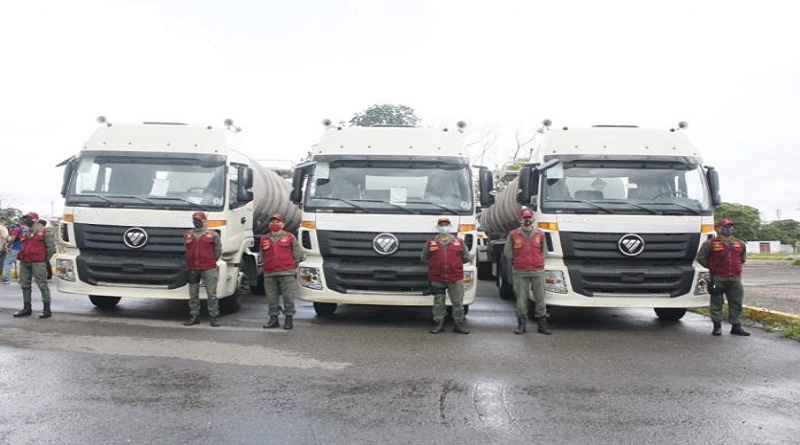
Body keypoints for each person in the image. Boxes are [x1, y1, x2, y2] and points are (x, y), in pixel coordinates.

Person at [696, 219, 750, 336]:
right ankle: (717, 327)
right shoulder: (710, 243)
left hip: (735, 279)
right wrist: (712, 267)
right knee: (716, 303)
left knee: (736, 302)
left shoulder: (740, 243)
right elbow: (701, 258)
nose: (728, 229)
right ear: (719, 229)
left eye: (730, 227)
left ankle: (736, 326)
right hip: (717, 278)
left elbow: (742, 258)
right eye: (725, 226)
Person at [504, 207, 551, 335]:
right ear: (521, 219)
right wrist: (517, 261)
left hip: (537, 271)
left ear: (532, 218)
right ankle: (521, 324)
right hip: (521, 271)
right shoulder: (513, 234)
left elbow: (544, 251)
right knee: (521, 299)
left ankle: (542, 324)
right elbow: (507, 252)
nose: (527, 220)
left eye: (529, 217)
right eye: (524, 218)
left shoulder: (540, 234)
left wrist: (539, 261)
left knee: (540, 298)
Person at [421, 217, 471, 334]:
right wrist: (435, 265)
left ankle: (458, 324)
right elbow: (424, 258)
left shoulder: (459, 242)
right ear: (438, 227)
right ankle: (439, 324)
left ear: (450, 227)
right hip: (437, 278)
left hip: (455, 277)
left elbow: (466, 257)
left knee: (457, 302)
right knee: (439, 302)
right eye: (442, 224)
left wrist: (454, 265)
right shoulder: (431, 242)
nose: (444, 227)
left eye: (446, 224)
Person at [260, 214, 303, 330]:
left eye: (278, 222)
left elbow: (297, 253)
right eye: (273, 222)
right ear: (269, 224)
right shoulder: (264, 238)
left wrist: (292, 267)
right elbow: (262, 255)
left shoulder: (290, 237)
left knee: (288, 297)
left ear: (283, 224)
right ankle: (273, 319)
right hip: (269, 272)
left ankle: (288, 319)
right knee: (271, 297)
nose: (275, 224)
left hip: (286, 272)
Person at [183, 211, 222, 327]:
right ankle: (194, 316)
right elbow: (187, 249)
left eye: (199, 220)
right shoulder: (188, 235)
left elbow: (218, 250)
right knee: (193, 293)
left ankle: (214, 317)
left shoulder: (212, 235)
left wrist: (210, 260)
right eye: (195, 220)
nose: (197, 222)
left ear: (205, 221)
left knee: (211, 294)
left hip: (208, 268)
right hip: (193, 268)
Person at [13, 212, 55, 318]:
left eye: (28, 218)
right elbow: (23, 245)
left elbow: (51, 248)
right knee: (25, 285)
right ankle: (27, 308)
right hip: (25, 261)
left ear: (36, 219)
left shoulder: (45, 231)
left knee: (42, 285)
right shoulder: (25, 231)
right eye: (25, 218)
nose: (26, 220)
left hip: (38, 262)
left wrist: (44, 259)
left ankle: (47, 310)